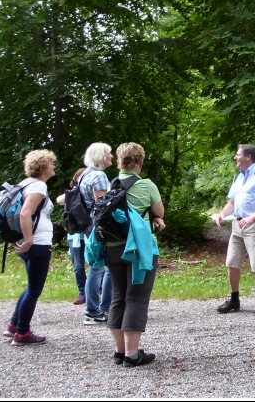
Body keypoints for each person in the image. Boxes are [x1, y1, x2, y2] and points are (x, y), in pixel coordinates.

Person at [107, 142, 165, 367]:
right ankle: (132, 354)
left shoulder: (111, 184)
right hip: (139, 248)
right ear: (140, 163)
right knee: (137, 297)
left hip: (112, 247)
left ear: (120, 162)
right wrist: (156, 217)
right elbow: (159, 212)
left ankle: (119, 351)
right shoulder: (147, 185)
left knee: (118, 296)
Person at [215, 144, 255, 317]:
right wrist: (222, 214)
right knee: (232, 263)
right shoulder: (238, 178)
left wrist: (251, 217)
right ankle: (234, 300)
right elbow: (233, 203)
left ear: (248, 156)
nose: (235, 157)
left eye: (237, 155)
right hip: (238, 226)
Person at [2, 149, 57, 345]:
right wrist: (29, 240)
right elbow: (25, 213)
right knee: (34, 290)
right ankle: (22, 334)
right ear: (43, 167)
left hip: (31, 244)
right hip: (38, 244)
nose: (54, 166)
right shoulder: (39, 186)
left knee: (31, 287)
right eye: (51, 163)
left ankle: (14, 326)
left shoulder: (25, 184)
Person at [78, 142, 114, 325]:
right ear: (101, 155)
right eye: (109, 153)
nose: (112, 156)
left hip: (88, 225)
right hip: (98, 227)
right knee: (100, 267)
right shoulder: (99, 176)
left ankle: (101, 308)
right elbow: (102, 206)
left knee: (100, 266)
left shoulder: (85, 174)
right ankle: (94, 311)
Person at [55, 167, 88, 305]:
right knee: (78, 265)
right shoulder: (72, 193)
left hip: (88, 232)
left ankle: (97, 291)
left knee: (94, 264)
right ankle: (82, 293)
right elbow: (59, 200)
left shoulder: (91, 191)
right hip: (74, 235)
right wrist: (77, 190)